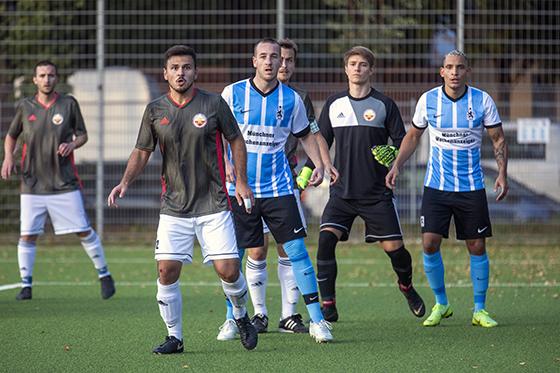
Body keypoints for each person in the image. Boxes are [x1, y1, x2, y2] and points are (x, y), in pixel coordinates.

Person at [107, 45, 258, 354]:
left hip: (213, 204)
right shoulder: (155, 110)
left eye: (186, 67)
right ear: (166, 73)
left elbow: (236, 140)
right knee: (166, 270)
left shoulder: (214, 104)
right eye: (175, 67)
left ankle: (242, 316)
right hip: (174, 208)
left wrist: (241, 180)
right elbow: (141, 151)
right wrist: (124, 182)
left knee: (229, 270)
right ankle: (174, 337)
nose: (181, 72)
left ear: (195, 72)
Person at [217, 38, 339, 340]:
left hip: (279, 188)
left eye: (275, 57)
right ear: (254, 61)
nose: (271, 62)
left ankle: (316, 321)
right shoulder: (232, 94)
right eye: (264, 56)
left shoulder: (292, 99)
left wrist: (320, 165)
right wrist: (225, 164)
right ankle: (234, 318)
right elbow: (216, 134)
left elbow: (306, 135)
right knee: (234, 258)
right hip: (239, 190)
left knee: (296, 250)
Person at [386, 50, 508, 328]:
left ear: (467, 71)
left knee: (476, 245)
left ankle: (479, 309)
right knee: (429, 243)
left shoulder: (482, 100)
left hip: (472, 187)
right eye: (449, 67)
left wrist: (502, 173)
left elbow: (498, 138)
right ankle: (442, 303)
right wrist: (396, 166)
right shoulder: (428, 101)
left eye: (460, 67)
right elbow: (413, 136)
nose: (454, 72)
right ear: (441, 71)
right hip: (436, 187)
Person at [308, 46, 425, 322]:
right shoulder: (334, 104)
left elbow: (402, 141)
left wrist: (394, 162)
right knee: (325, 242)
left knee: (396, 252)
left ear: (371, 70)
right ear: (345, 69)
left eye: (363, 64)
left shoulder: (385, 104)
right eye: (352, 64)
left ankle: (407, 287)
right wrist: (323, 165)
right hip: (342, 193)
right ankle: (329, 304)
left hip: (376, 193)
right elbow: (320, 138)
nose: (357, 68)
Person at [1, 60, 115, 301]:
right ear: (35, 80)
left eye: (51, 75)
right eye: (41, 75)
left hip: (63, 182)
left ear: (56, 78)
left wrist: (72, 143)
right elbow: (11, 136)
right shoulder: (25, 106)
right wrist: (8, 157)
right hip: (32, 184)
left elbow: (82, 135)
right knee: (27, 235)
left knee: (83, 230)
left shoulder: (68, 104)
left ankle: (104, 275)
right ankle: (26, 285)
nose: (46, 79)